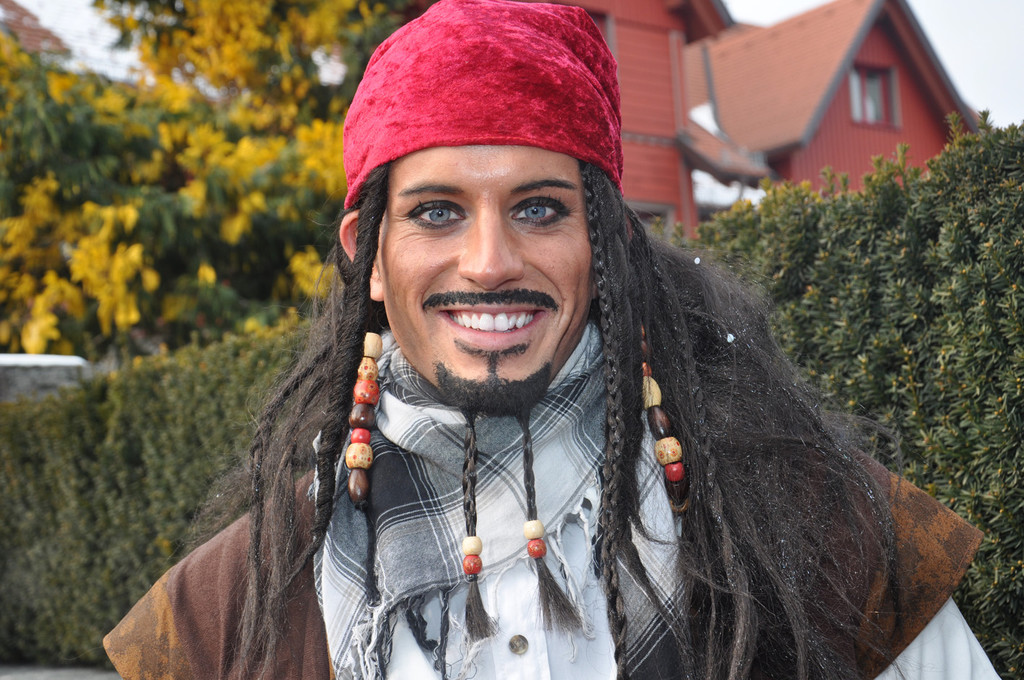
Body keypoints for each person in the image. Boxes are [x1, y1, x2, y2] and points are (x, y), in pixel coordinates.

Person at [104, 1, 1000, 678]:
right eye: (436, 212)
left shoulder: (826, 523)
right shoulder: (217, 617)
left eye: (539, 209)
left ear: (605, 246)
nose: (490, 262)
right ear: (369, 258)